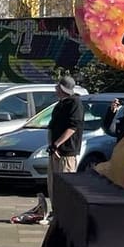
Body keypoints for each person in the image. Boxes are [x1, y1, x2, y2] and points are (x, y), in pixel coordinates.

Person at [12, 76, 87, 225]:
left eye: (58, 87)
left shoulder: (75, 104)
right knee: (53, 185)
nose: (55, 90)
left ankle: (66, 215)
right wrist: (51, 145)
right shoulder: (60, 104)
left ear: (63, 89)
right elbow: (53, 126)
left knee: (65, 185)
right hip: (54, 151)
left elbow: (73, 127)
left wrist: (57, 144)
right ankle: (56, 212)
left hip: (66, 152)